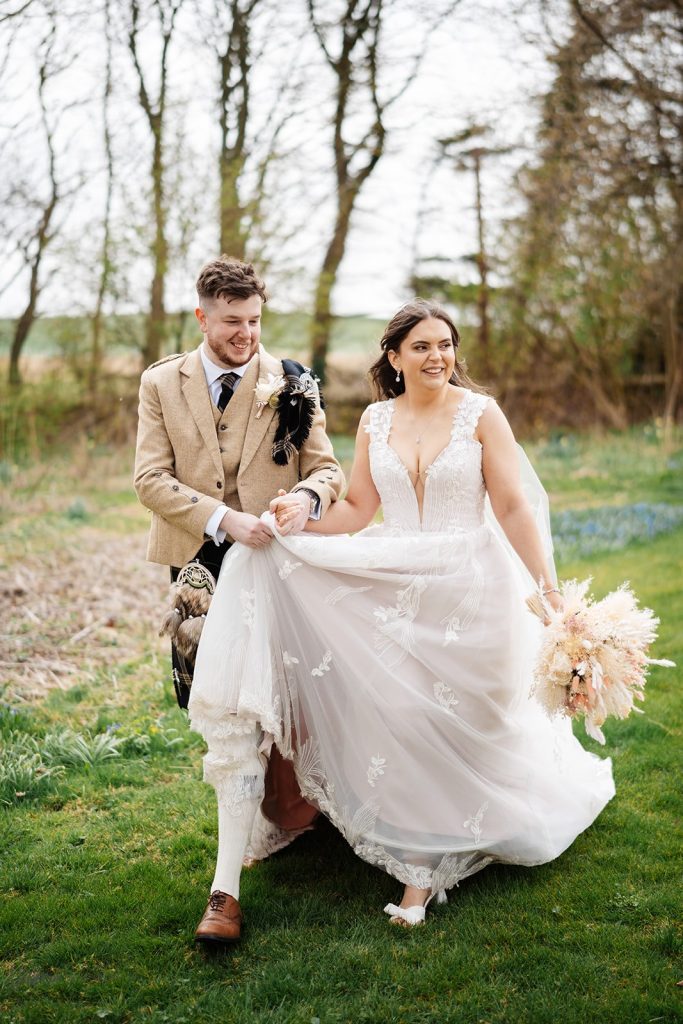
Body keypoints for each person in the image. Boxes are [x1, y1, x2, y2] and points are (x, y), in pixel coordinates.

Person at [190, 298, 615, 932]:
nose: (437, 356)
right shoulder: (375, 420)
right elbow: (358, 508)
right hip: (399, 578)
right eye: (421, 346)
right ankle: (420, 855)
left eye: (445, 344)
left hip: (472, 585)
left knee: (462, 715)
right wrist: (300, 518)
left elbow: (513, 508)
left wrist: (547, 591)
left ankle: (427, 863)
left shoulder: (481, 414)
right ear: (394, 357)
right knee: (401, 712)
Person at [133, 256, 344, 944]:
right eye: (230, 323)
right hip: (197, 572)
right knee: (219, 711)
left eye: (253, 321)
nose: (244, 335)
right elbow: (149, 479)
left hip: (280, 572)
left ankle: (234, 883)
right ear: (201, 316)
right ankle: (260, 824)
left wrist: (304, 499)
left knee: (275, 701)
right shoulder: (161, 382)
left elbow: (327, 470)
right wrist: (223, 520)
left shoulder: (292, 381)